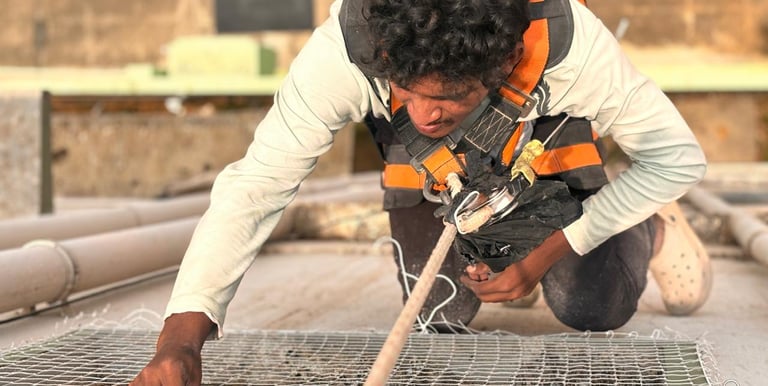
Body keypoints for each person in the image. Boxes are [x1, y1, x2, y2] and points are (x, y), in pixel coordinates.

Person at [131, 0, 711, 383]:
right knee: (440, 314)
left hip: (539, 139)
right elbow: (257, 185)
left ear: (507, 57)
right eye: (409, 89)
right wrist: (181, 339)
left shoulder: (572, 48)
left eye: (450, 96)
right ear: (384, 58)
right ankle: (498, 227)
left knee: (590, 304)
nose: (430, 113)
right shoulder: (345, 52)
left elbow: (676, 157)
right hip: (435, 169)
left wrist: (545, 255)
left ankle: (649, 228)